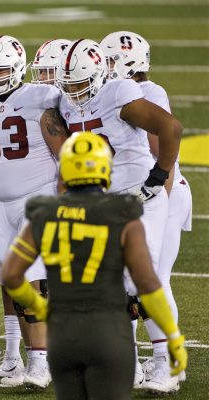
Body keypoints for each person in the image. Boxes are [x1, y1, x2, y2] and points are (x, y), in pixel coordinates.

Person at [1, 131, 187, 400]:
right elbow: (146, 284)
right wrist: (172, 338)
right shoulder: (124, 216)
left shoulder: (43, 214)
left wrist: (42, 306)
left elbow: (11, 274)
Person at [56, 38, 183, 394]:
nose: (73, 91)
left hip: (138, 197)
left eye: (79, 83)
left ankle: (167, 364)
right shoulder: (67, 102)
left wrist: (159, 175)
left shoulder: (118, 92)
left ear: (97, 75)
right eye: (68, 85)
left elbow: (170, 128)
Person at [0, 35, 67, 388]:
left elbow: (65, 153)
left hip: (36, 201)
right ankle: (20, 357)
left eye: (1, 70)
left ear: (18, 69)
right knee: (10, 280)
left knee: (33, 281)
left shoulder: (41, 99)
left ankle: (40, 363)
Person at [101, 30, 192, 393]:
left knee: (151, 279)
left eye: (109, 61)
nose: (104, 69)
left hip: (160, 193)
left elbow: (160, 159)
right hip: (142, 196)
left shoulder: (146, 94)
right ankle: (137, 364)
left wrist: (156, 200)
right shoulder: (118, 94)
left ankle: (168, 362)